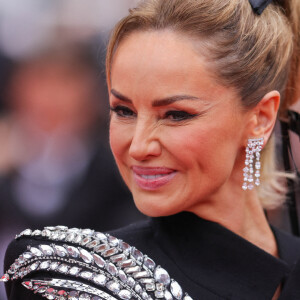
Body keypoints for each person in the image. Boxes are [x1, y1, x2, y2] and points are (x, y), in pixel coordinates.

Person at [1, 0, 300, 299]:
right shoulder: (65, 274)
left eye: (176, 114)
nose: (139, 147)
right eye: (124, 111)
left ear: (260, 120)